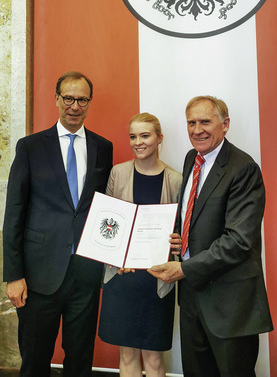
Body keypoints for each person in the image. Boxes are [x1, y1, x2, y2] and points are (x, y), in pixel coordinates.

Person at [149, 96, 273, 377]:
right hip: (192, 297)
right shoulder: (192, 158)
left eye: (205, 121)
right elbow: (196, 215)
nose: (197, 130)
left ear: (225, 124)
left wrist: (183, 267)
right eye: (191, 123)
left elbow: (238, 241)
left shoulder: (243, 168)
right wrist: (180, 238)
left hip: (230, 302)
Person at [3, 71, 113, 377]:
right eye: (68, 98)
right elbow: (14, 212)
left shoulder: (103, 148)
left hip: (86, 275)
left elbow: (104, 208)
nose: (74, 106)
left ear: (89, 103)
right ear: (56, 99)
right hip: (39, 277)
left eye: (82, 100)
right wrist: (13, 275)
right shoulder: (31, 147)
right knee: (35, 361)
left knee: (80, 362)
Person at [98, 112, 182, 377]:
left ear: (159, 139)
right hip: (123, 276)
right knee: (128, 355)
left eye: (145, 135)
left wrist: (179, 242)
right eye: (133, 136)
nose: (138, 142)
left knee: (155, 360)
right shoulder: (118, 173)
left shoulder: (177, 179)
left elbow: (183, 232)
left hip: (157, 279)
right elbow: (107, 225)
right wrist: (112, 255)